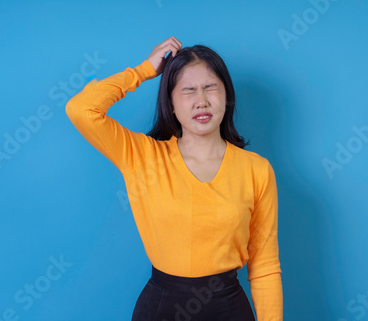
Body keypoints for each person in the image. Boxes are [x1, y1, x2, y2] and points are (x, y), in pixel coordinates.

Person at [65, 37, 283, 321]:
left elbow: (264, 266)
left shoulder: (257, 169)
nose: (201, 101)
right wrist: (143, 70)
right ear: (171, 102)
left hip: (230, 310)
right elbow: (81, 109)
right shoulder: (142, 157)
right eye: (188, 91)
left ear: (226, 95)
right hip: (161, 310)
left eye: (210, 88)